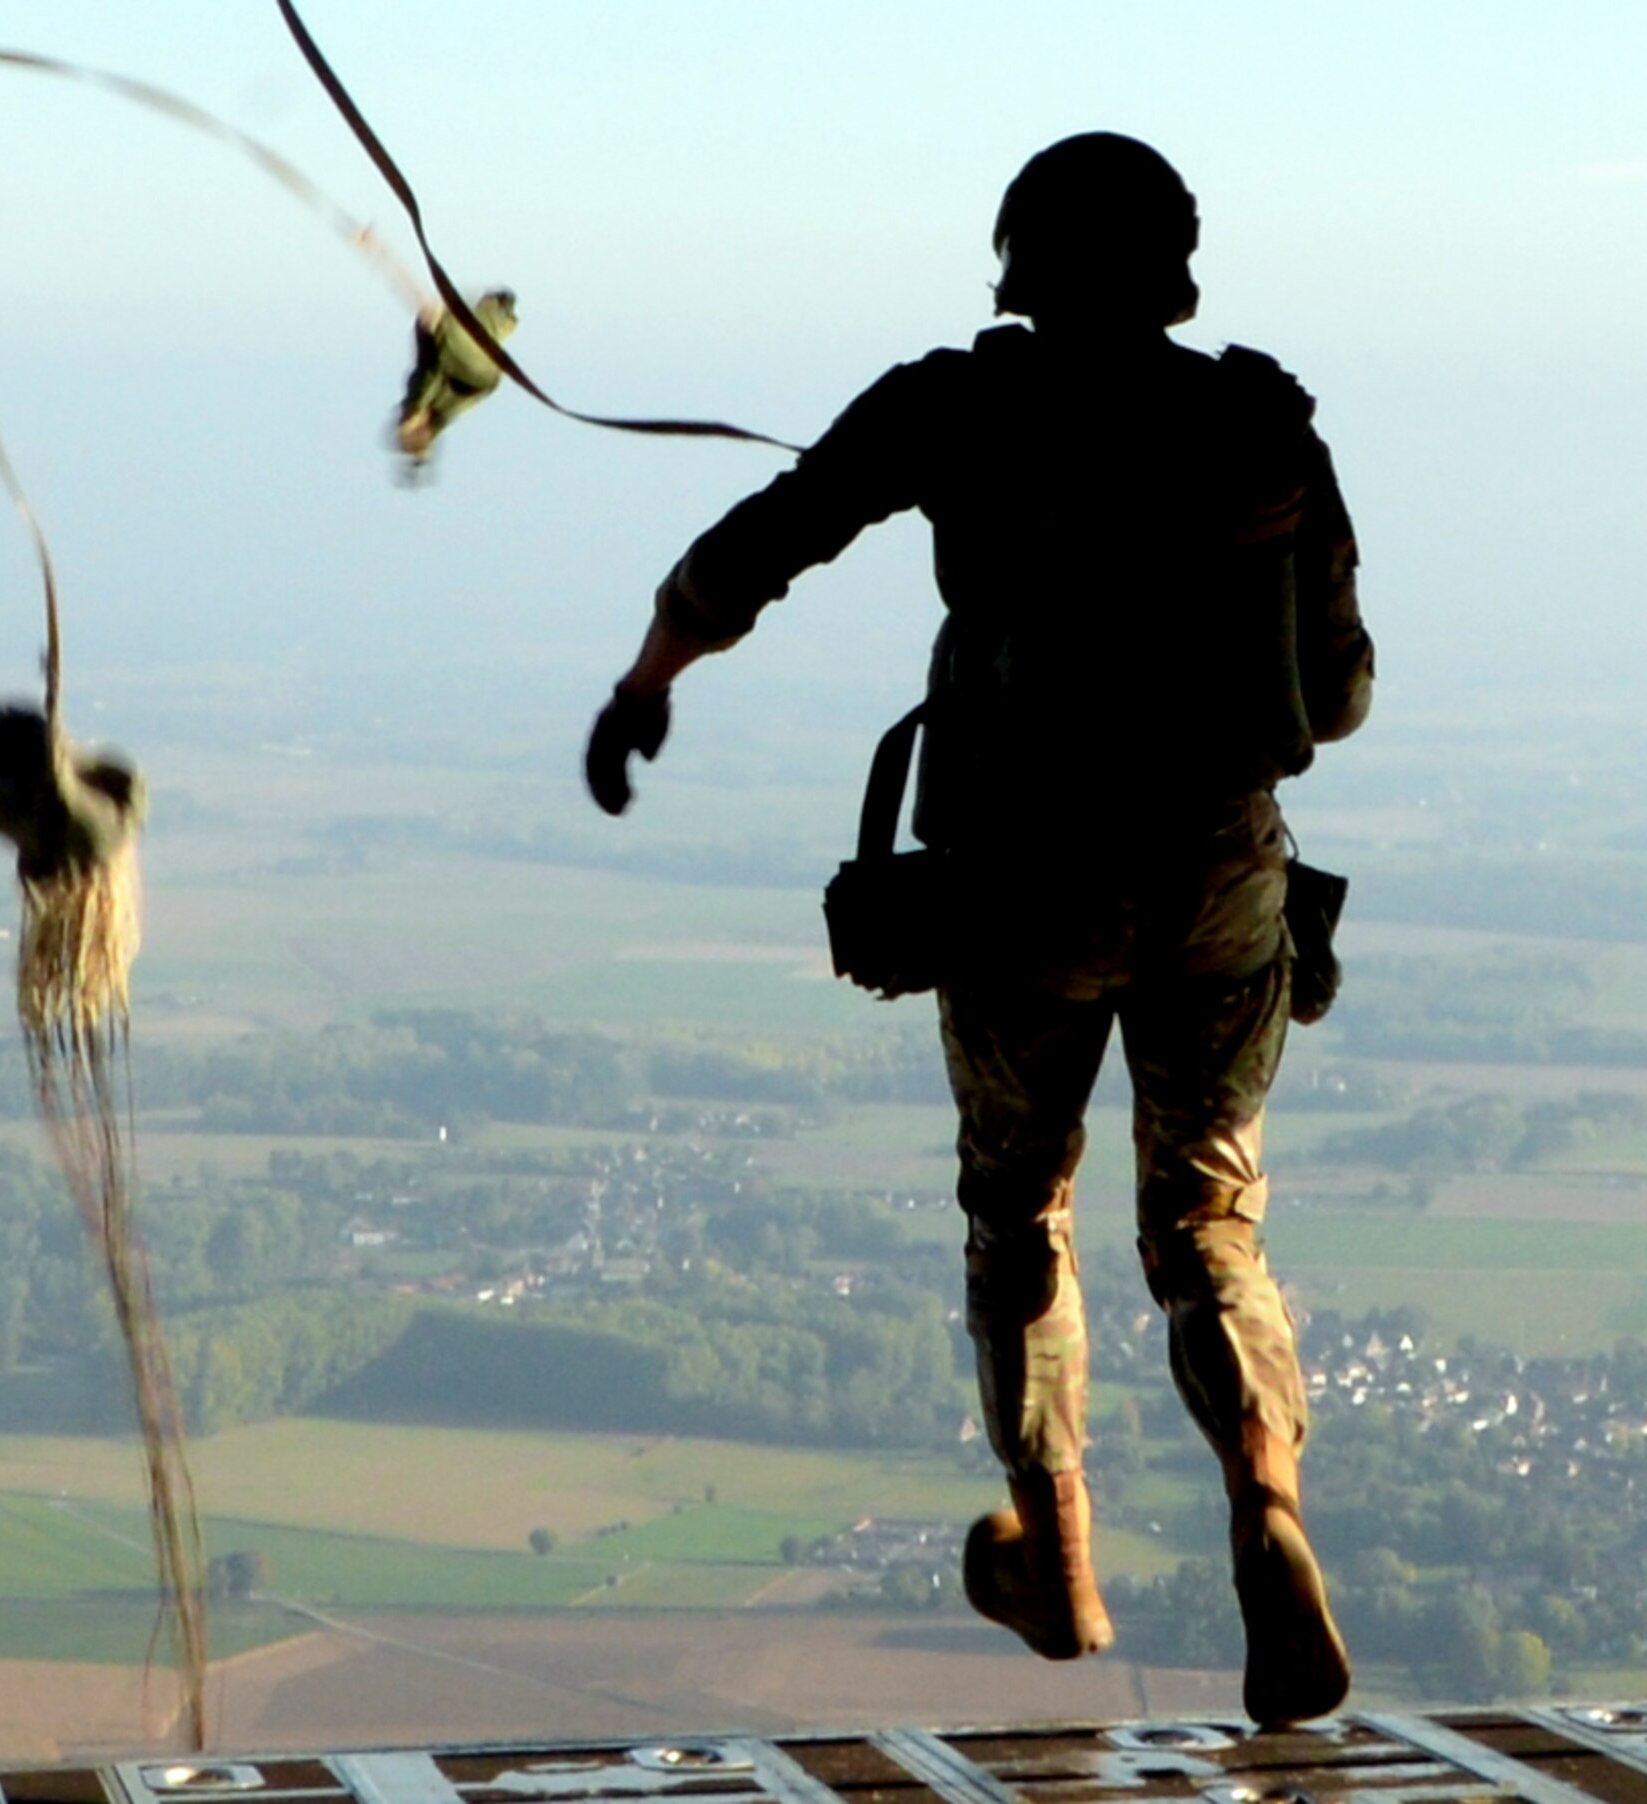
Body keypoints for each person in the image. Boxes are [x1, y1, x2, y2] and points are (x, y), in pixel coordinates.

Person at [583, 132, 1372, 1730]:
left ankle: (1056, 1554)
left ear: (1017, 263)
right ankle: (1267, 1505)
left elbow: (759, 549)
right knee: (1209, 1225)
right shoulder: (1260, 424)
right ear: (1175, 269)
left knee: (1022, 1212)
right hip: (1228, 876)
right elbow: (1339, 697)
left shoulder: (956, 407)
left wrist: (645, 679)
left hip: (1027, 886)